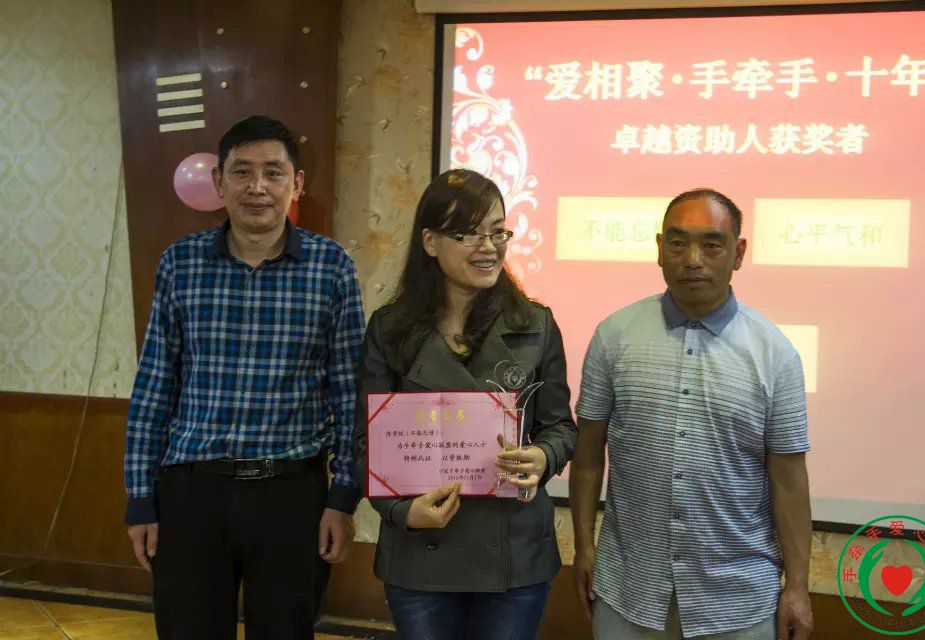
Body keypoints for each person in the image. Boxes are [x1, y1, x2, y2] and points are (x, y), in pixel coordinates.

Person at [124, 115, 365, 639]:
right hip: (191, 493)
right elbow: (154, 388)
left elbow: (349, 394)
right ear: (218, 181)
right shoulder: (180, 264)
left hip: (291, 496)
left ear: (297, 184)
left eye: (274, 172)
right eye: (242, 171)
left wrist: (343, 498)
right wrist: (140, 498)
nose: (258, 186)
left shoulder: (332, 268)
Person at [571, 189, 814, 640]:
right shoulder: (614, 336)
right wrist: (584, 547)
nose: (693, 260)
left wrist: (797, 586)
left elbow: (788, 479)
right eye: (678, 243)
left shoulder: (775, 354)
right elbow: (587, 455)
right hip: (628, 590)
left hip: (738, 600)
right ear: (659, 247)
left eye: (712, 245)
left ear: (738, 253)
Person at [353, 168, 577, 640]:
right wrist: (401, 512)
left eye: (497, 232)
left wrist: (543, 457)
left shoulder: (535, 324)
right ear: (430, 242)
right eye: (468, 234)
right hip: (421, 550)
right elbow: (365, 444)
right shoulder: (389, 329)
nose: (488, 247)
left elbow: (561, 428)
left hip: (514, 554)